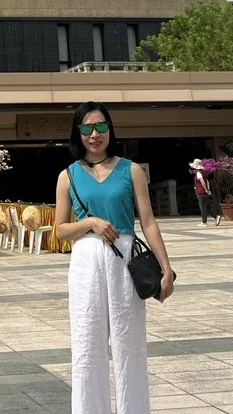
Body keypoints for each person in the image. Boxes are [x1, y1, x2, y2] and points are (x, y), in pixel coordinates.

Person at [56, 103, 174, 414]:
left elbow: (147, 221)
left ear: (110, 129)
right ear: (78, 133)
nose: (94, 134)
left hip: (123, 258)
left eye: (100, 127)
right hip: (85, 261)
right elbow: (60, 230)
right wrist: (90, 223)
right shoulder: (67, 176)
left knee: (128, 342)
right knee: (86, 342)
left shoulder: (131, 170)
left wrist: (166, 267)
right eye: (86, 128)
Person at [190, 159, 222, 226]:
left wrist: (205, 189)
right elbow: (207, 182)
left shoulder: (198, 173)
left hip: (201, 192)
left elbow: (203, 182)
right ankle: (216, 216)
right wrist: (207, 190)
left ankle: (204, 222)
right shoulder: (203, 173)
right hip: (204, 192)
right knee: (207, 206)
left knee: (202, 207)